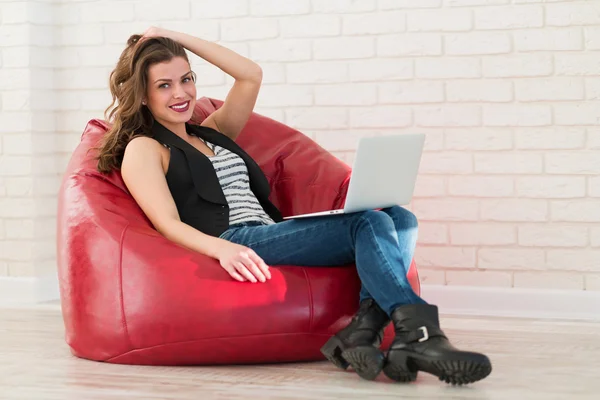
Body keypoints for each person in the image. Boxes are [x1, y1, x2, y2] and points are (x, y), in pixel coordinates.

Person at [96, 27, 492, 386]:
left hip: (270, 228)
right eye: (164, 85)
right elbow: (165, 223)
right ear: (142, 95)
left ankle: (364, 331)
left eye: (186, 79)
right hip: (239, 238)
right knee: (366, 224)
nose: (180, 94)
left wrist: (169, 35)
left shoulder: (212, 132)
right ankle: (418, 335)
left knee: (399, 216)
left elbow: (250, 74)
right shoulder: (144, 148)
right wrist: (223, 248)